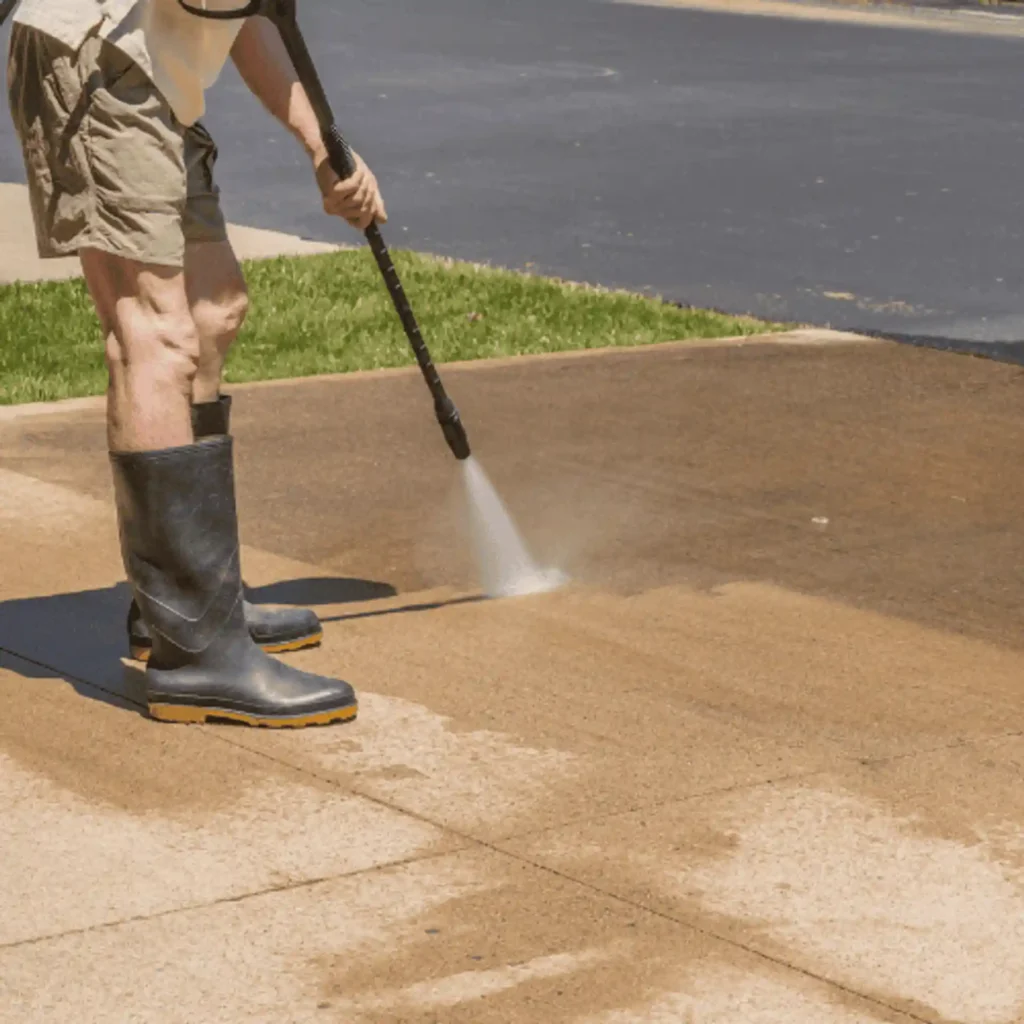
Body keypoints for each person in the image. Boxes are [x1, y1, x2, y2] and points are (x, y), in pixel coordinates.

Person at [5, 0, 387, 727]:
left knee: (213, 312)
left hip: (152, 72)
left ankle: (191, 601)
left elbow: (253, 16)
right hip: (98, 57)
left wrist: (321, 144)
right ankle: (196, 648)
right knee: (154, 333)